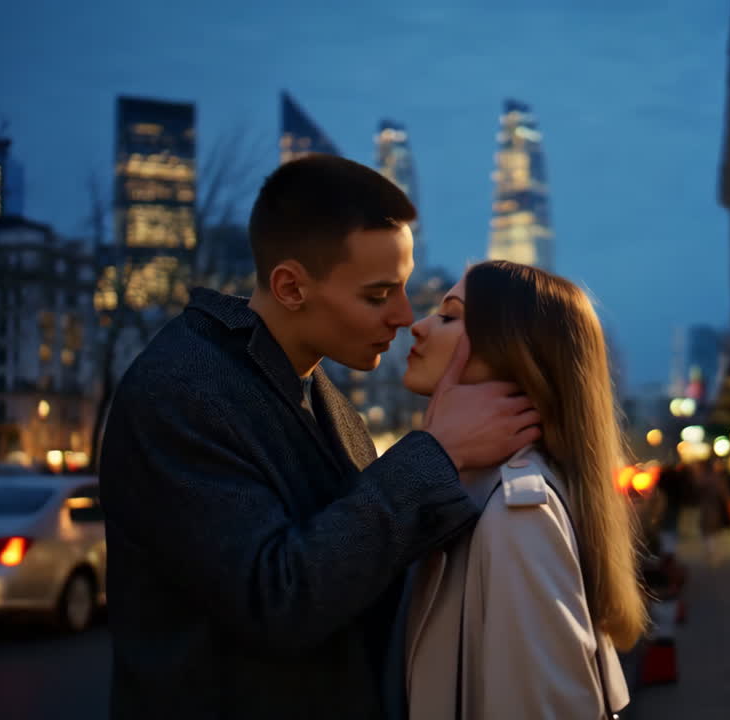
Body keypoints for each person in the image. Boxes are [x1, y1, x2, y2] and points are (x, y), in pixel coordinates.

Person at [98, 155, 540, 719]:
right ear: (290, 287)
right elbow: (277, 601)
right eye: (378, 295)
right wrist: (439, 453)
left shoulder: (317, 392)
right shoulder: (182, 390)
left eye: (403, 289)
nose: (405, 317)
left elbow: (364, 569)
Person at [399, 260, 643, 719]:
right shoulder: (476, 488)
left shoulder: (518, 513)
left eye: (449, 317)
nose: (416, 326)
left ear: (509, 351)